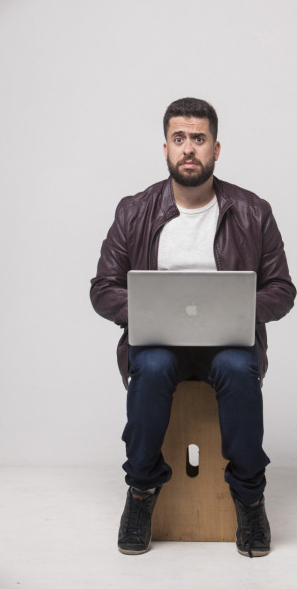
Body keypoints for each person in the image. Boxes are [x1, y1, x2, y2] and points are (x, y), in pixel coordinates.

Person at [90, 97, 296, 558]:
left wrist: (241, 307)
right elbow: (102, 288)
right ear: (165, 148)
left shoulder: (253, 211)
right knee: (155, 364)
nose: (189, 149)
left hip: (227, 342)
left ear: (216, 149)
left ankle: (249, 497)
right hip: (159, 340)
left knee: (238, 368)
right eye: (179, 139)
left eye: (198, 139)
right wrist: (142, 307)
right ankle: (141, 493)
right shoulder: (134, 211)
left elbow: (283, 289)